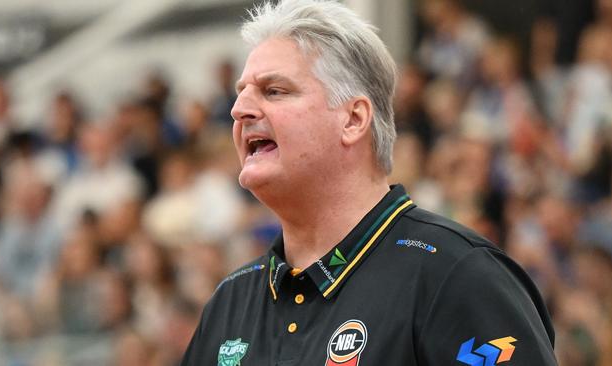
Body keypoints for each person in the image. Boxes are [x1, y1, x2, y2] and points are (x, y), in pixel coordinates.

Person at [181, 1, 557, 365]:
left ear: (353, 119)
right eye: (240, 92)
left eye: (274, 90)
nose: (239, 109)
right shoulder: (228, 303)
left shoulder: (456, 275)